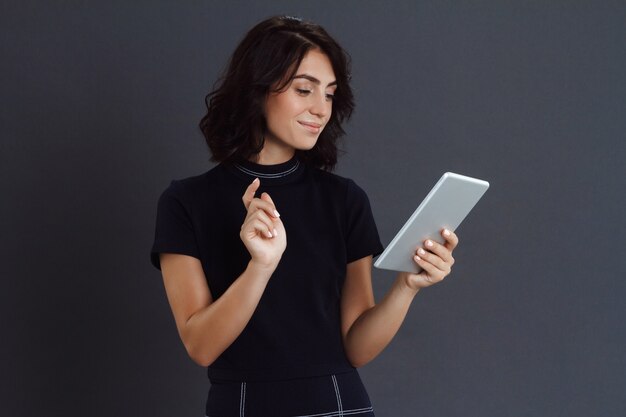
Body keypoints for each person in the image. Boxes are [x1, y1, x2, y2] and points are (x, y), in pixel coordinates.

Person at [150, 15, 458, 417]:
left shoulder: (344, 200)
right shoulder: (187, 201)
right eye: (303, 90)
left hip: (340, 405)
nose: (320, 109)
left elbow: (356, 348)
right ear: (257, 90)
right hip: (244, 406)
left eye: (329, 94)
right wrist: (261, 266)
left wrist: (406, 287)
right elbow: (201, 345)